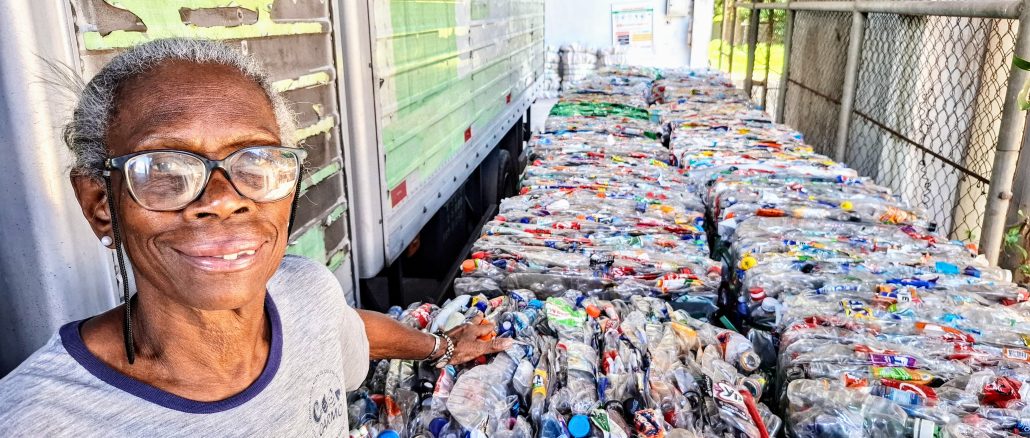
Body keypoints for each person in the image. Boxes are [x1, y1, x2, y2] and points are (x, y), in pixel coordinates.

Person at [0, 38, 510, 436]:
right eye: (163, 167)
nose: (222, 198)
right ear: (100, 206)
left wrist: (443, 345)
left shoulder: (305, 291)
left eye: (257, 160)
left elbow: (345, 331)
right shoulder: (37, 421)